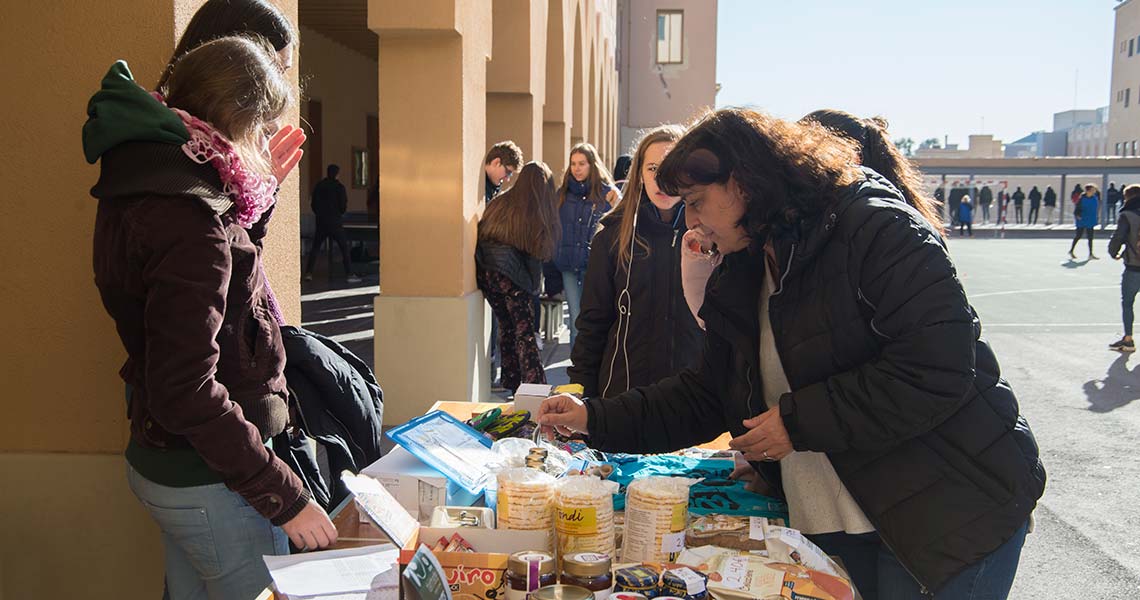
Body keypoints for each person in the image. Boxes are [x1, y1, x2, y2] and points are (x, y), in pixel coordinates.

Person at [538, 109, 1045, 599]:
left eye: (696, 200)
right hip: (840, 519)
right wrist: (593, 417)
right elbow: (707, 392)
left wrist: (795, 424)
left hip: (948, 515)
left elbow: (935, 369)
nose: (688, 218)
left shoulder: (875, 228)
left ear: (745, 183)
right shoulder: (746, 258)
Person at [85, 36, 337, 600]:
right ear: (238, 121)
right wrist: (285, 497)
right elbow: (188, 387)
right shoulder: (190, 214)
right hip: (211, 477)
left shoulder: (154, 168)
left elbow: (229, 290)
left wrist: (258, 199)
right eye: (262, 128)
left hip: (172, 460)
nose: (265, 141)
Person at [568, 125, 703, 399]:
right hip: (622, 394)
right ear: (639, 174)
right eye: (653, 168)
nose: (661, 179)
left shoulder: (711, 237)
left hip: (690, 399)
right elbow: (593, 322)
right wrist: (579, 392)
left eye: (670, 167)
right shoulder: (613, 236)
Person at [475, 162, 561, 393]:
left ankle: (512, 380)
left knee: (506, 326)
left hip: (487, 272)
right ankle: (536, 387)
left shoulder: (501, 201)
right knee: (524, 332)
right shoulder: (535, 211)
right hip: (512, 275)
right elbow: (535, 256)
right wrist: (534, 288)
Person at [554, 143, 620, 346]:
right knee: (576, 322)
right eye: (573, 163)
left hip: (595, 267)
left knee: (595, 319)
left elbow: (620, 225)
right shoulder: (562, 194)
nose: (577, 168)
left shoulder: (607, 194)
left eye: (582, 163)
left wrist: (616, 203)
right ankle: (577, 369)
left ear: (592, 165)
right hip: (569, 267)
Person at [303, 164, 359, 283]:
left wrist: (320, 213)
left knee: (316, 248)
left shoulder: (319, 186)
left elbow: (313, 204)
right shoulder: (339, 187)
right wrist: (338, 212)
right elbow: (343, 206)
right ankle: (349, 274)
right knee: (344, 247)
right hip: (335, 222)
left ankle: (308, 273)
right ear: (337, 174)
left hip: (321, 221)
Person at [1108, 184, 1140, 352]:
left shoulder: (1127, 215)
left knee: (1128, 303)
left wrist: (1113, 252)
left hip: (1134, 266)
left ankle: (1128, 339)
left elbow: (1119, 237)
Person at [1070, 184, 1100, 259]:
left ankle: (1090, 254)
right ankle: (1071, 250)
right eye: (1092, 190)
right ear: (1088, 191)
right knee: (1078, 236)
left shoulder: (1095, 198)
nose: (1094, 191)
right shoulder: (1081, 199)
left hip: (1090, 220)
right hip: (1082, 220)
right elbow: (1076, 210)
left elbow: (1096, 209)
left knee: (1090, 237)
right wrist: (1078, 216)